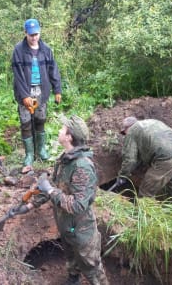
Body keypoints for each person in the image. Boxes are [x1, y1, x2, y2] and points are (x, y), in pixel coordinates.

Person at [10, 115, 108, 285]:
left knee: (91, 267)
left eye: (63, 129)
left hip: (81, 230)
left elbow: (78, 205)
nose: (59, 130)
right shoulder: (65, 158)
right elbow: (54, 185)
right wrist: (30, 205)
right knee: (71, 257)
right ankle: (73, 280)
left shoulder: (82, 166)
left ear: (69, 136)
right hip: (66, 225)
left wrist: (50, 189)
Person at [12, 18, 62, 173]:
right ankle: (29, 154)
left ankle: (41, 150)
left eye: (36, 34)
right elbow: (18, 75)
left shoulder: (46, 49)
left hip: (42, 90)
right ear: (25, 33)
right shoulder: (19, 50)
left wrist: (57, 90)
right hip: (25, 91)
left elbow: (53, 70)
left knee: (40, 120)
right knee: (26, 122)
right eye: (31, 34)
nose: (34, 37)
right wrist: (25, 95)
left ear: (40, 32)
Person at [117, 117, 172, 199]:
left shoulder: (131, 131)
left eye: (124, 133)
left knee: (146, 192)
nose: (125, 135)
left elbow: (130, 160)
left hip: (166, 159)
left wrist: (123, 176)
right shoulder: (153, 122)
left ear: (127, 129)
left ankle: (144, 211)